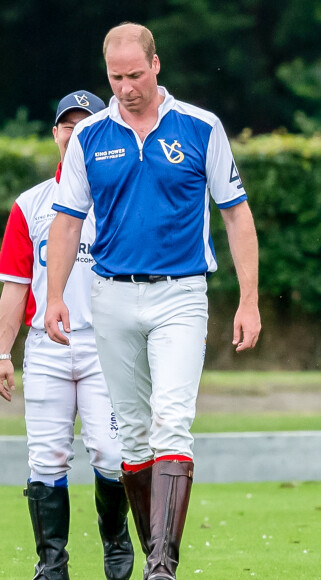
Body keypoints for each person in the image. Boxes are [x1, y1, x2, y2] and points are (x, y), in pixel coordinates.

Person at [44, 22, 261, 580]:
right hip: (110, 296)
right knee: (131, 438)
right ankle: (153, 555)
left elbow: (236, 213)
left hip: (181, 294)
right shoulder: (89, 136)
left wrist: (249, 300)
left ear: (156, 65)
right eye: (116, 78)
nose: (126, 87)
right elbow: (66, 222)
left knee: (172, 421)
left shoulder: (200, 127)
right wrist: (53, 298)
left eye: (135, 75)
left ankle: (162, 565)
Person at [0, 91, 134, 580]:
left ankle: (116, 545)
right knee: (47, 457)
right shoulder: (30, 204)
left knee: (112, 453)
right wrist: (2, 351)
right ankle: (51, 565)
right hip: (46, 346)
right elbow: (14, 286)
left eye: (85, 124)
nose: (74, 132)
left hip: (107, 347)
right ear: (55, 133)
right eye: (66, 125)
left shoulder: (120, 195)